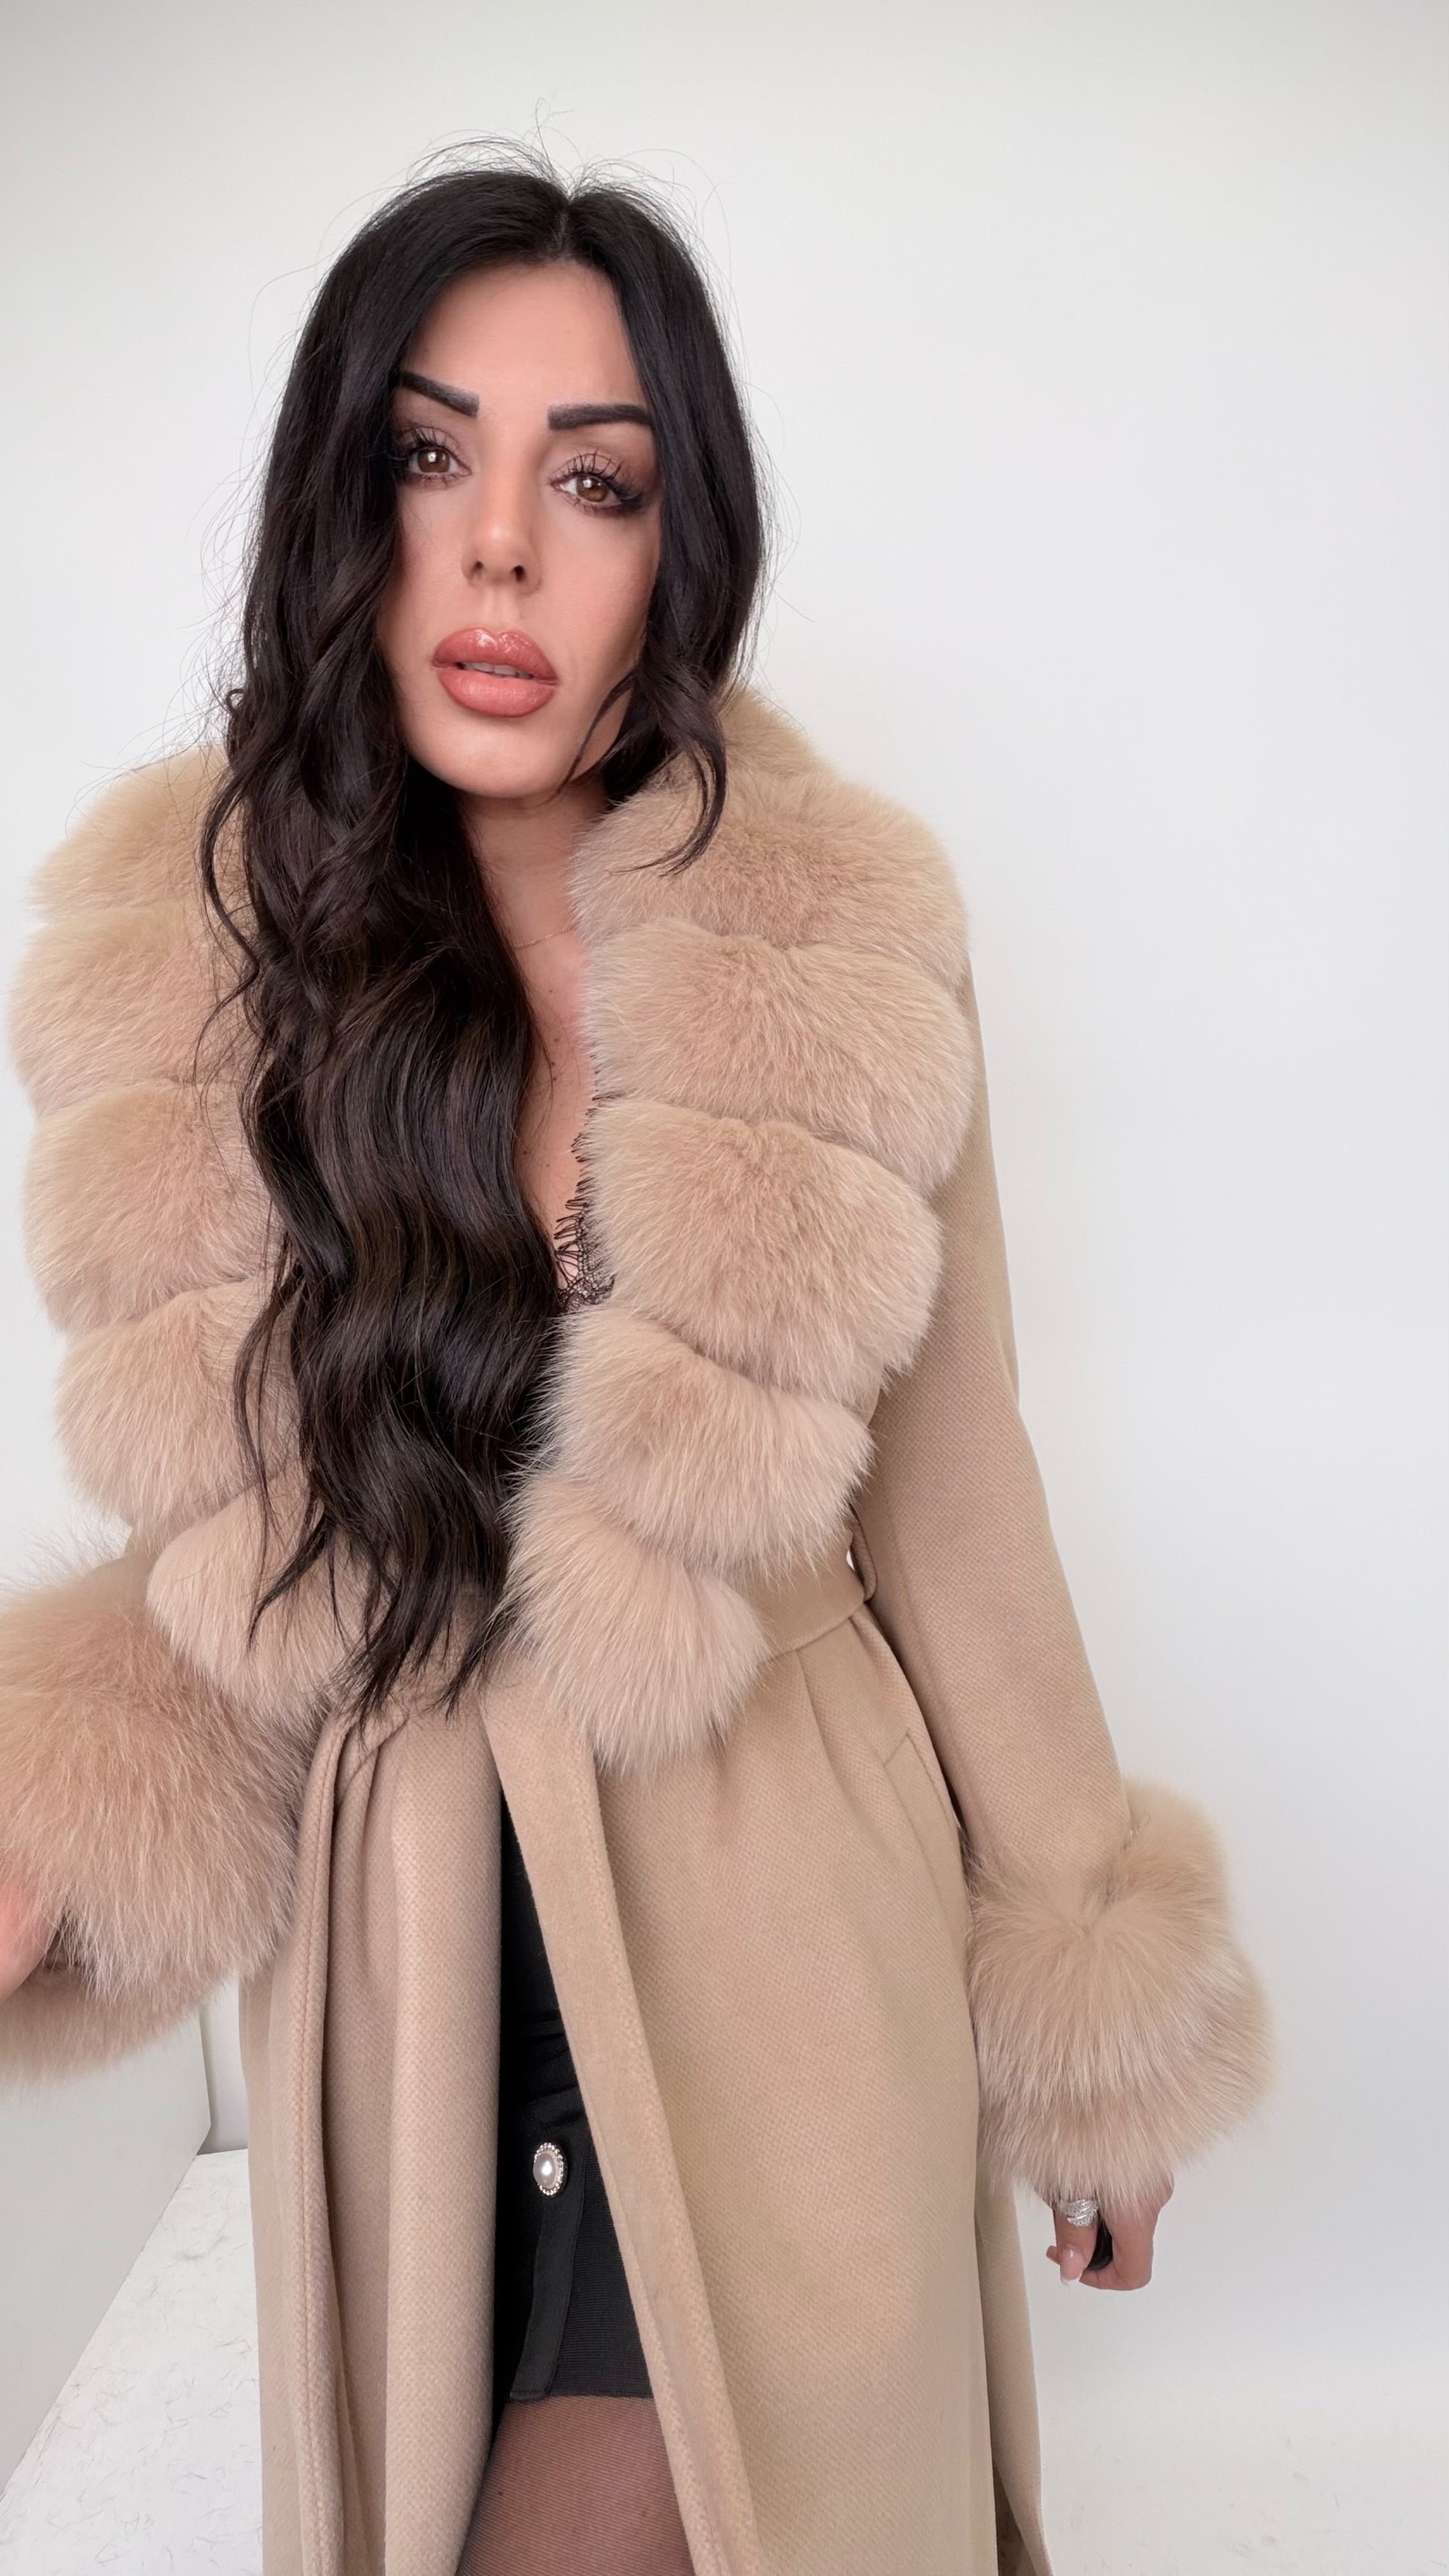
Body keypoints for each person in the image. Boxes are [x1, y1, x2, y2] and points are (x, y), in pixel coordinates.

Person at [0, 151, 1272, 2576]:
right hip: (413, 1979)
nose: (500, 552)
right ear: (341, 500)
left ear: (677, 552)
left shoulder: (837, 944)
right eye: (431, 454)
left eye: (593, 483)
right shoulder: (197, 967)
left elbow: (956, 1502)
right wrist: (52, 1819)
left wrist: (1097, 2015)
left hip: (778, 1932)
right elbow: (245, 1565)